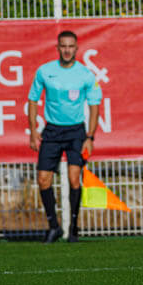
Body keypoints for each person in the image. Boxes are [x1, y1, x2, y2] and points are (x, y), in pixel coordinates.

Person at [27, 30, 102, 243]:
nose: (67, 50)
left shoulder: (86, 75)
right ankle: (54, 227)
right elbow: (33, 99)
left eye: (71, 46)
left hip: (76, 132)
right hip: (52, 131)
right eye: (63, 46)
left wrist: (90, 137)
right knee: (43, 179)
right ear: (58, 48)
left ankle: (74, 228)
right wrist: (33, 131)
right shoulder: (45, 71)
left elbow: (94, 106)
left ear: (76, 49)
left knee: (74, 178)